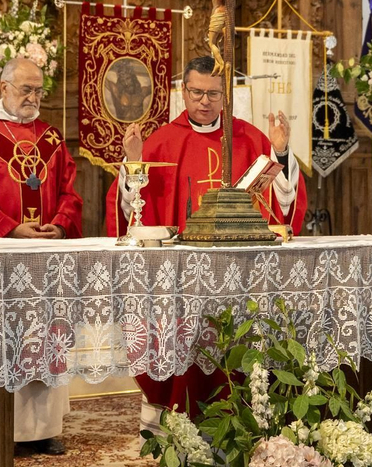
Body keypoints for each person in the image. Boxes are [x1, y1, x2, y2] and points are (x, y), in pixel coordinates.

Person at [107, 55, 307, 417]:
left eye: (213, 94)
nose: (204, 101)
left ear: (225, 95)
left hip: (242, 275)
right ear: (184, 91)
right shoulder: (163, 142)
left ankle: (248, 421)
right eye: (197, 92)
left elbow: (283, 206)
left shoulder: (249, 137)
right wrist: (133, 161)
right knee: (187, 355)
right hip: (183, 278)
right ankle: (179, 425)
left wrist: (278, 152)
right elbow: (132, 209)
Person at [0, 56, 83, 455]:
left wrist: (58, 223)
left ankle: (44, 428)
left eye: (39, 90)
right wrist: (11, 227)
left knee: (44, 337)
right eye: (26, 89)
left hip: (44, 257)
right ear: (3, 87)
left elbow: (71, 192)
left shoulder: (52, 138)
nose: (33, 97)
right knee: (3, 338)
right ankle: (2, 429)